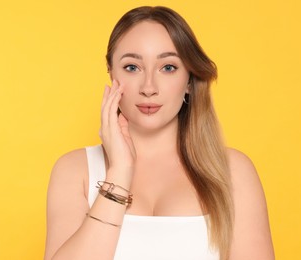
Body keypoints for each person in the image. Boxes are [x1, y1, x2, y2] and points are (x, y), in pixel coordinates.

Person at [44, 6, 274, 260]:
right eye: (132, 67)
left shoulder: (233, 171)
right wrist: (119, 172)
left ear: (189, 80)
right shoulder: (75, 170)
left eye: (168, 67)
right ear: (111, 72)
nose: (149, 87)